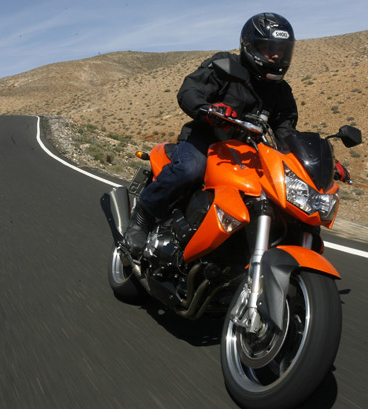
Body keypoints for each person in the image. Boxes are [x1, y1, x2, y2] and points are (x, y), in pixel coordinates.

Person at [123, 12, 347, 257]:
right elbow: (189, 91)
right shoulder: (225, 66)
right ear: (250, 46)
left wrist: (320, 161)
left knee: (277, 197)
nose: (276, 56)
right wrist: (207, 109)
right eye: (268, 48)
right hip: (206, 141)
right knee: (190, 170)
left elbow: (286, 132)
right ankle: (143, 217)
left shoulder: (282, 91)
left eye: (281, 50)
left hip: (248, 154)